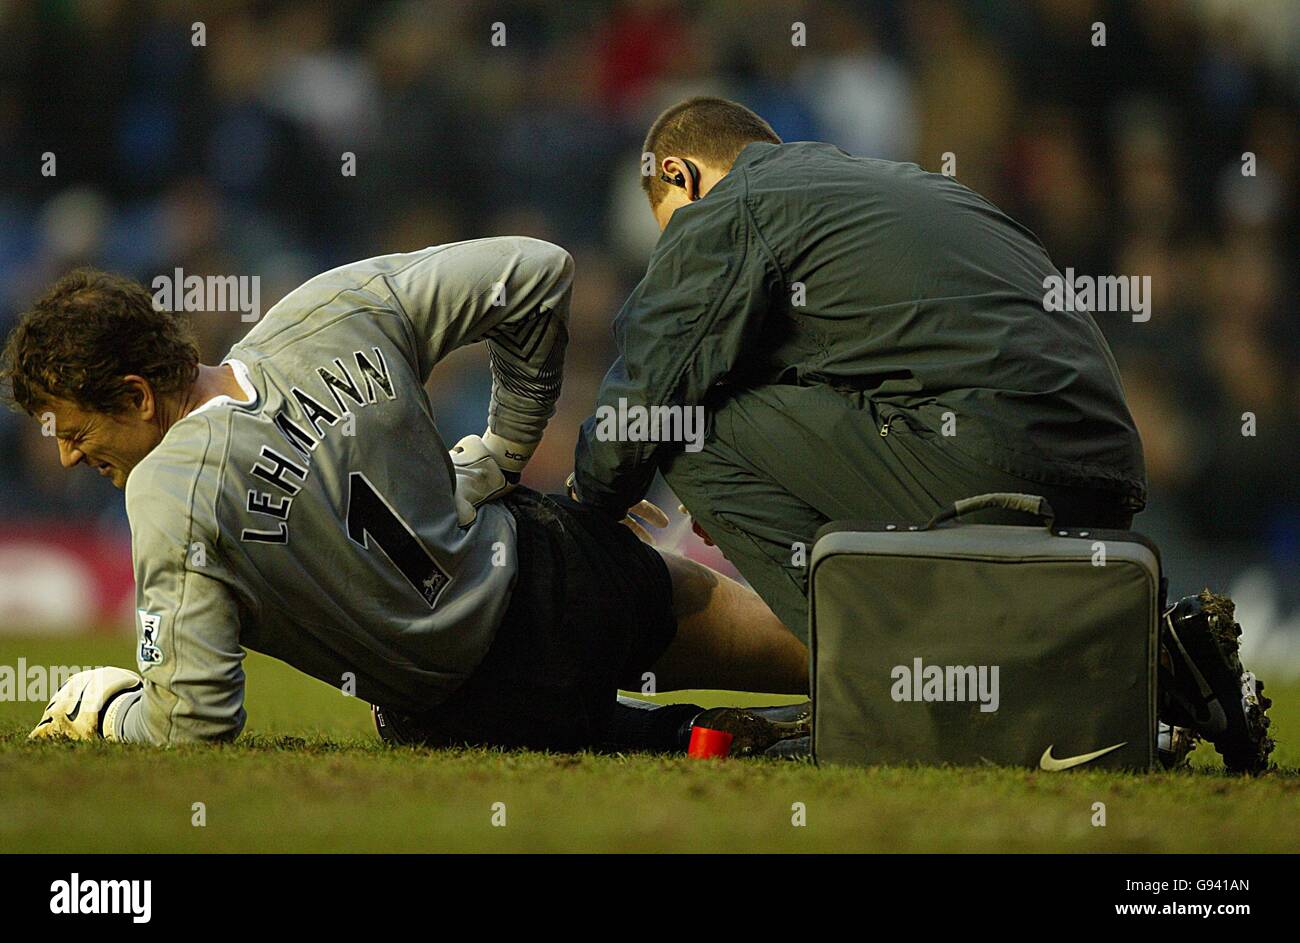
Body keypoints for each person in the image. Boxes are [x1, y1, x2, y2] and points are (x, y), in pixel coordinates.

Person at [570, 97, 1272, 772]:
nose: (677, 249)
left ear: (681, 176)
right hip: (1099, 483)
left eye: (672, 229)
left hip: (994, 457)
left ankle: (886, 694)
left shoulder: (739, 202)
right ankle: (1155, 662)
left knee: (693, 431)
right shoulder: (875, 188)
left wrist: (584, 505)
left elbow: (651, 386)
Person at [5, 238, 810, 756]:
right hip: (563, 570)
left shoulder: (167, 489)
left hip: (484, 706)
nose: (71, 455)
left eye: (73, 430)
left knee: (680, 743)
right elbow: (535, 274)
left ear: (138, 395)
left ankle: (702, 737)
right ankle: (909, 674)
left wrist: (110, 710)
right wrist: (503, 448)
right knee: (811, 648)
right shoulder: (322, 314)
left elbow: (195, 722)